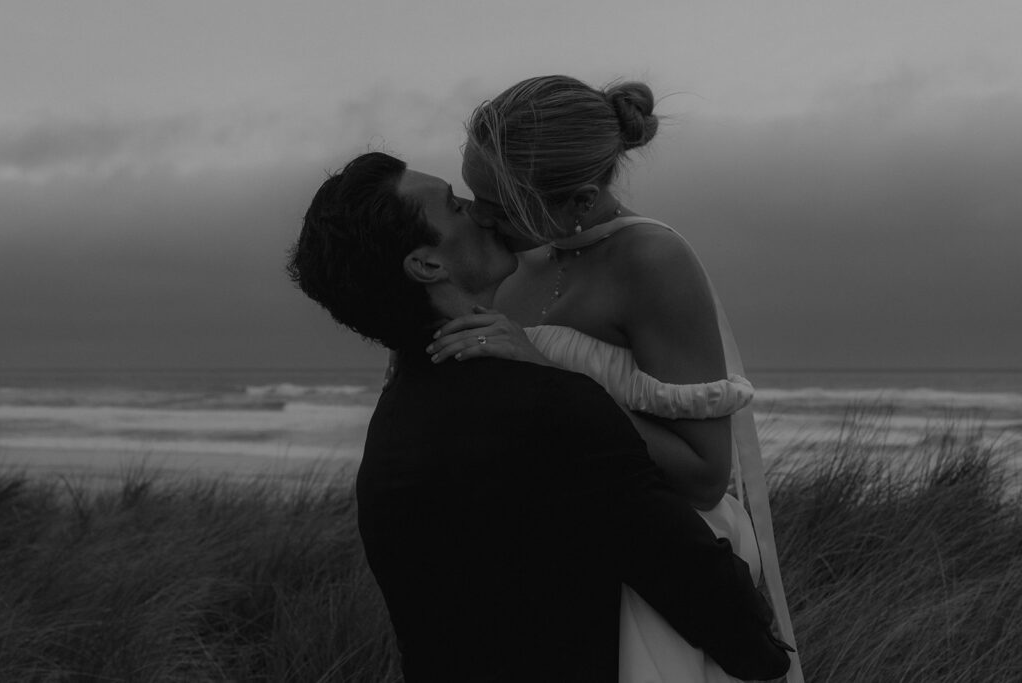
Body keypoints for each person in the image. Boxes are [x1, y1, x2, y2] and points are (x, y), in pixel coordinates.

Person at [286, 151, 791, 682]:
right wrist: (767, 655)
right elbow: (700, 585)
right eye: (456, 206)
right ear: (427, 265)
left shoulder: (390, 426)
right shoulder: (549, 405)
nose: (480, 215)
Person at [427, 75, 804, 682]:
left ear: (578, 199)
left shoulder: (651, 261)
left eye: (499, 205)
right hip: (543, 572)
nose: (477, 215)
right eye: (474, 193)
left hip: (651, 579)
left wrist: (549, 377)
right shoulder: (523, 257)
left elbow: (706, 477)